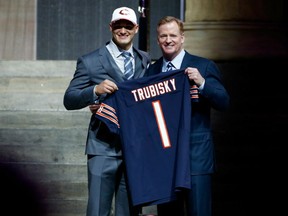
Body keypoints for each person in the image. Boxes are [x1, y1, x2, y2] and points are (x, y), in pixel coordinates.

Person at [63, 6, 150, 216]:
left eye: (128, 25)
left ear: (136, 28)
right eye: (118, 25)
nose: (123, 30)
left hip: (133, 149)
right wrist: (94, 90)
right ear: (111, 27)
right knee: (98, 211)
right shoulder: (90, 61)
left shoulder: (144, 60)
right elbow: (69, 99)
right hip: (102, 147)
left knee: (129, 210)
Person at [145, 16, 230, 216]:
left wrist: (202, 83)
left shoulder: (204, 66)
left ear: (182, 38)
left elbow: (224, 101)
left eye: (173, 35)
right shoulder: (151, 72)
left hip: (196, 158)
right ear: (157, 40)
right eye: (163, 36)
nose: (168, 40)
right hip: (166, 160)